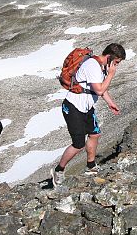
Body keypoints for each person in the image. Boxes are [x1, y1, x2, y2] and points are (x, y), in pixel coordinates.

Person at [51, 43, 126, 185]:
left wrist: (110, 103)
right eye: (116, 62)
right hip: (73, 107)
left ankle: (91, 167)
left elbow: (100, 89)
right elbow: (98, 90)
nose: (116, 66)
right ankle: (58, 170)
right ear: (109, 57)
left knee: (95, 134)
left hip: (86, 107)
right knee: (78, 144)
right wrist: (111, 75)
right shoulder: (92, 65)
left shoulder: (100, 67)